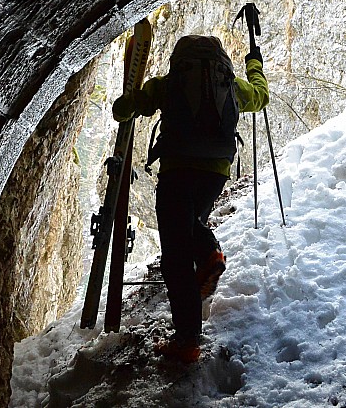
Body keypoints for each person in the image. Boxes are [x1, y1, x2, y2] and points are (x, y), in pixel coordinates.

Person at [112, 34, 269, 363]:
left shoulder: (167, 84)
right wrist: (254, 63)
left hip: (177, 170)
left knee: (176, 255)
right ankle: (208, 254)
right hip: (215, 173)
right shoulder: (232, 86)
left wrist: (127, 102)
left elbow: (123, 109)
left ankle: (187, 340)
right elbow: (260, 97)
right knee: (189, 224)